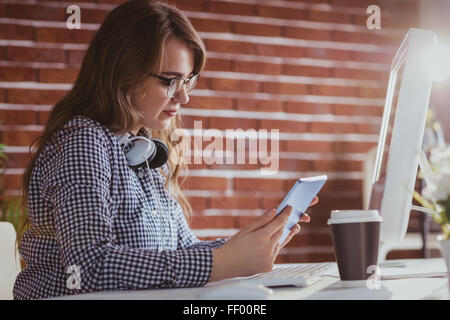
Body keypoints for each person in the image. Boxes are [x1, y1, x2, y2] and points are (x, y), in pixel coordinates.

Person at [13, 0, 317, 300]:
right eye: (170, 81)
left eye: (188, 81)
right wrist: (221, 262)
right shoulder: (83, 142)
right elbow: (88, 268)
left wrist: (250, 243)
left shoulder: (141, 151)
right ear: (123, 72)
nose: (183, 96)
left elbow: (180, 253)